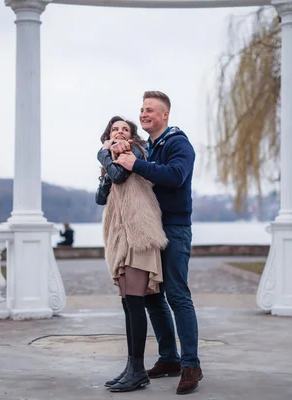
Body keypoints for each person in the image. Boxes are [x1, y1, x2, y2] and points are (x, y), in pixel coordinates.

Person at [113, 91, 202, 395]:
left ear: (165, 115)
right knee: (152, 296)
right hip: (150, 230)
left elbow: (176, 176)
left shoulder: (178, 142)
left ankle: (191, 365)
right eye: (141, 109)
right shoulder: (148, 146)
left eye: (149, 109)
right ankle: (169, 358)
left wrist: (134, 164)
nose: (143, 114)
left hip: (175, 228)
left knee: (177, 295)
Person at [95, 116, 168, 393]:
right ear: (108, 133)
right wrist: (106, 160)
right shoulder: (111, 161)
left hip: (139, 234)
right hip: (121, 237)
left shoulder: (134, 151)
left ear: (131, 135)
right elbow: (101, 197)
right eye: (115, 129)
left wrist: (103, 153)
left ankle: (138, 370)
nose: (120, 132)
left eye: (125, 129)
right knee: (128, 305)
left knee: (136, 304)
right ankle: (132, 367)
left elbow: (120, 176)